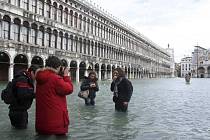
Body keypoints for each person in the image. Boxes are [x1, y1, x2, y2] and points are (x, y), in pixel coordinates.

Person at [35, 56, 73, 135]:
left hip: (42, 124)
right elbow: (69, 89)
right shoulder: (55, 78)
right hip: (56, 125)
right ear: (58, 67)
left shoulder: (39, 77)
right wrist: (66, 76)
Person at [9, 65, 39, 129]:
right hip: (18, 113)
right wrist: (36, 94)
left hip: (21, 111)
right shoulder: (23, 79)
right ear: (32, 73)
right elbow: (22, 95)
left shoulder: (27, 79)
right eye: (36, 74)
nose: (37, 77)